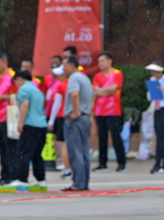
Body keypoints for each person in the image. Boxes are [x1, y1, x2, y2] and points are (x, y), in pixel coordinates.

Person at [2, 70, 47, 191]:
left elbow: (25, 104)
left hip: (30, 125)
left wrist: (20, 122)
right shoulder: (37, 90)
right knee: (37, 154)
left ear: (19, 79)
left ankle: (21, 179)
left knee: (23, 152)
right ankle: (40, 180)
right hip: (42, 125)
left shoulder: (23, 90)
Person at [62, 56, 94, 192]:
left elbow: (74, 94)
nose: (63, 69)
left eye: (64, 65)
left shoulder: (74, 78)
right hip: (85, 117)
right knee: (83, 151)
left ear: (71, 65)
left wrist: (76, 112)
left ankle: (78, 183)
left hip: (76, 119)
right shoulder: (85, 78)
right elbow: (93, 97)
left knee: (75, 152)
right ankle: (84, 182)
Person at [92, 51, 127, 172]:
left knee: (116, 136)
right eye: (99, 61)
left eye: (102, 61)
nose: (100, 63)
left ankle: (121, 162)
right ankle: (102, 163)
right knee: (102, 137)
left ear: (109, 61)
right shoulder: (97, 76)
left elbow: (114, 89)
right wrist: (104, 91)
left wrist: (101, 91)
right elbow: (94, 91)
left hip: (113, 111)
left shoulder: (117, 74)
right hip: (99, 111)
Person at [0, 51, 17, 185]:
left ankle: (12, 175)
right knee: (2, 148)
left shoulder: (13, 76)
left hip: (8, 117)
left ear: (5, 62)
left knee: (10, 148)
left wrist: (2, 98)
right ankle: (4, 175)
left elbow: (20, 95)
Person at [47, 65, 72, 179]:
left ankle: (68, 170)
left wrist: (51, 121)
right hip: (73, 116)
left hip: (62, 116)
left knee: (64, 145)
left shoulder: (61, 86)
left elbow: (56, 105)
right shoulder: (73, 84)